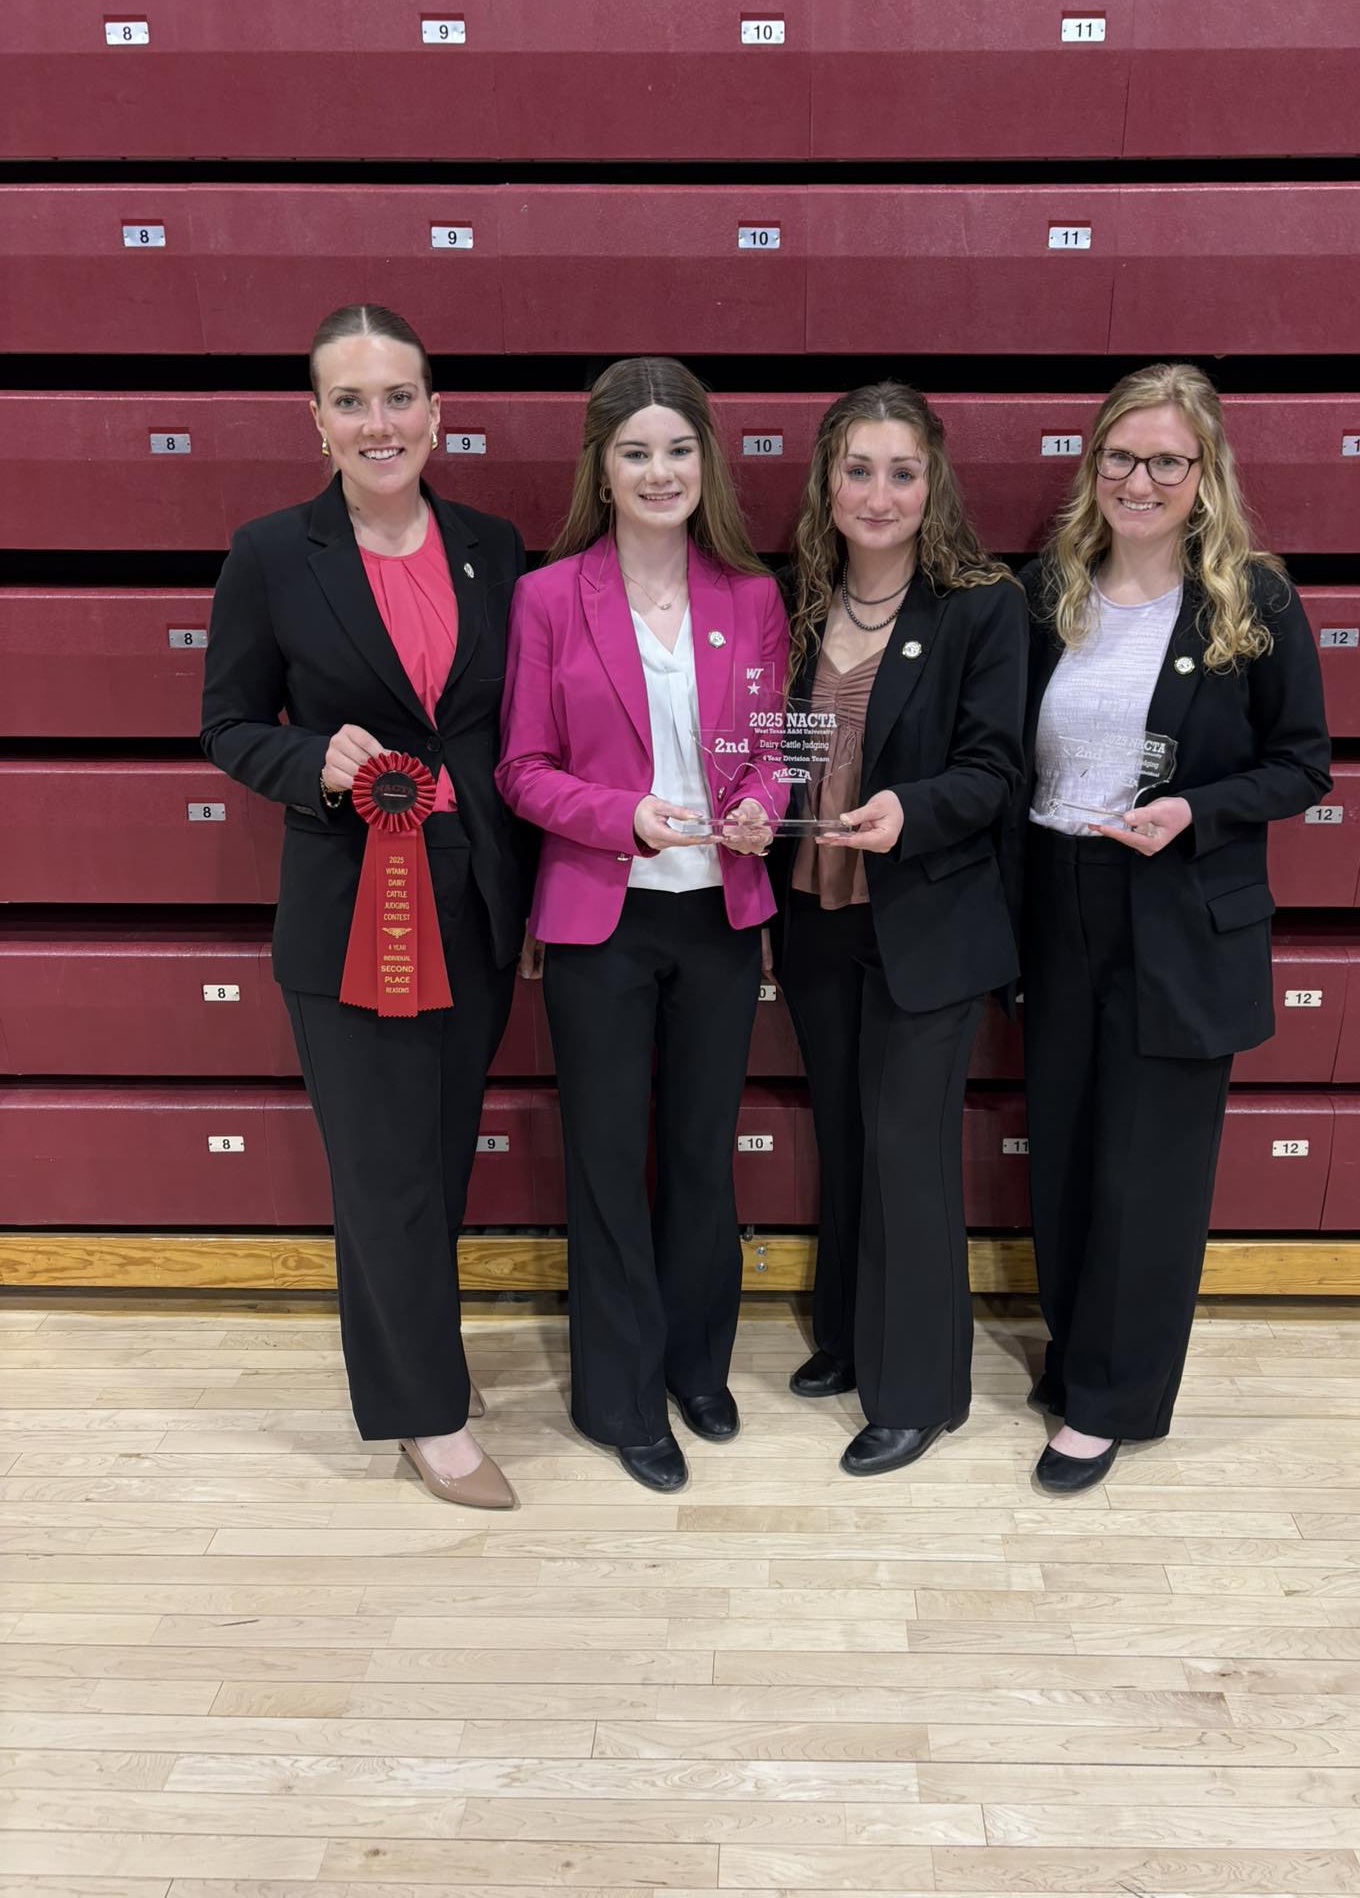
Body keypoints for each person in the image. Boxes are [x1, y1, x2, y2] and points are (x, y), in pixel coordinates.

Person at [201, 303, 531, 1510]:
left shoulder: (495, 544)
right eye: (352, 400)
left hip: (477, 905)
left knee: (436, 1158)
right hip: (351, 909)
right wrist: (314, 765)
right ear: (318, 422)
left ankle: (419, 1354)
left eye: (399, 396)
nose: (378, 421)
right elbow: (228, 723)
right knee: (383, 1168)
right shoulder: (271, 554)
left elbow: (506, 726)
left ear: (436, 413)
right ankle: (420, 1416)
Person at [1015, 361, 1332, 1494]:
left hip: (1180, 904)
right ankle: (1073, 1357)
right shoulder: (1050, 590)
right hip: (1061, 896)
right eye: (1120, 457)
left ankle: (1111, 1400)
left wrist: (1196, 807)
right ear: (1092, 465)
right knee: (1066, 1148)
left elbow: (1303, 764)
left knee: (1151, 1168)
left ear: (1205, 475)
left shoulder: (1254, 598)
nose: (1138, 480)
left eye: (1165, 460)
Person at [496, 357, 789, 1493]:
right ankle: (620, 1395)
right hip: (599, 923)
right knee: (610, 1162)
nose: (660, 470)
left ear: (705, 461)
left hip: (719, 916)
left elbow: (768, 742)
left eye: (678, 449)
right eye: (636, 452)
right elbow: (521, 768)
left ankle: (697, 1367)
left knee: (701, 1157)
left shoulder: (751, 595)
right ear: (602, 468)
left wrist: (760, 800)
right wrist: (624, 815)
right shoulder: (546, 595)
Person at [769, 382, 1028, 1477]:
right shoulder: (792, 600)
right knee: (844, 1125)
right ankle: (849, 1331)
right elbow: (779, 743)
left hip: (928, 917)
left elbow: (996, 771)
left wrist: (909, 812)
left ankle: (919, 1385)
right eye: (859, 470)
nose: (880, 493)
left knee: (909, 1146)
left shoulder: (981, 605)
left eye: (903, 471)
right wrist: (755, 806)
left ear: (935, 484)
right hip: (816, 910)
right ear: (828, 482)